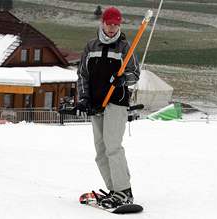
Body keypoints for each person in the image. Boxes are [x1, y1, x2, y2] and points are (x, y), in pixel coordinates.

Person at [76, 6, 140, 209]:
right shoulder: (90, 46)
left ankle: (124, 190)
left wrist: (123, 79)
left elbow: (135, 75)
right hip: (96, 104)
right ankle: (114, 190)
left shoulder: (124, 48)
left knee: (113, 146)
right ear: (102, 23)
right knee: (101, 151)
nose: (112, 29)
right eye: (109, 24)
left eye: (116, 25)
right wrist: (84, 98)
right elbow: (83, 75)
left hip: (116, 102)